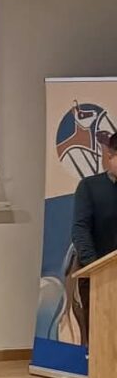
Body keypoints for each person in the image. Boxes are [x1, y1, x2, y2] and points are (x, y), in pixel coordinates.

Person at [70, 130, 117, 344]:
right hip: (98, 277)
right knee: (100, 338)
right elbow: (80, 229)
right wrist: (95, 268)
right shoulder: (90, 187)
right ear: (111, 156)